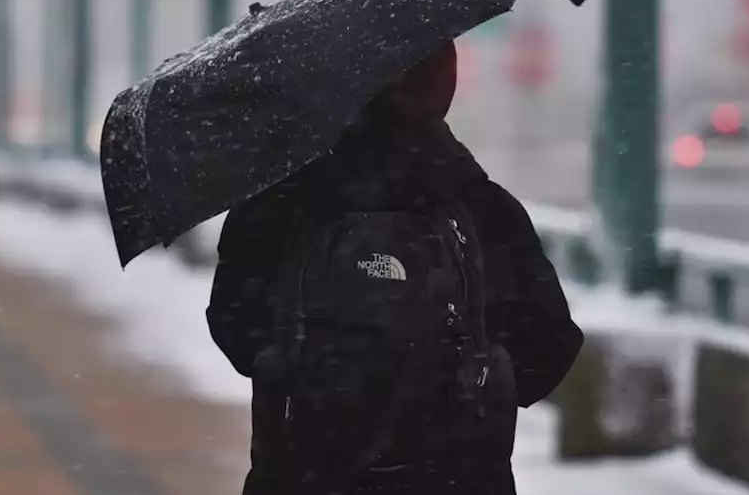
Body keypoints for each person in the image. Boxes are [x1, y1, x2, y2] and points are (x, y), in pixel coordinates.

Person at [207, 41, 583, 495]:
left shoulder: (279, 201)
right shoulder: (484, 207)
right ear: (442, 87)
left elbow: (235, 330)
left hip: (303, 477)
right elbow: (548, 349)